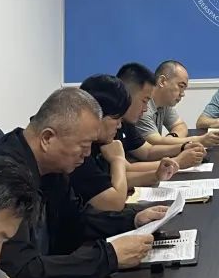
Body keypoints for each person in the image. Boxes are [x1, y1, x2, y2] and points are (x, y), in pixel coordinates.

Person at [0, 87, 169, 278]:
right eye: (84, 145)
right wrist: (109, 257)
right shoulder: (0, 175)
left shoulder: (50, 166)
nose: (87, 154)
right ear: (47, 138)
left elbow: (75, 219)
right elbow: (22, 272)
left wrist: (132, 220)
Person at [71, 75, 178, 211]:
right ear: (96, 116)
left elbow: (115, 178)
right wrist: (117, 159)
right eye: (116, 119)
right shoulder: (79, 152)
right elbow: (114, 204)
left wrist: (156, 176)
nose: (119, 125)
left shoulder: (101, 143)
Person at [115, 62, 206, 171]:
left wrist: (184, 146)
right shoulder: (108, 126)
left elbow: (148, 152)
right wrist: (178, 161)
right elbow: (126, 170)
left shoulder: (126, 124)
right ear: (127, 96)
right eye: (144, 101)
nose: (145, 108)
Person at [136, 60, 219, 151]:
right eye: (181, 86)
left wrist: (172, 137)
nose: (182, 94)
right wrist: (199, 140)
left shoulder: (164, 103)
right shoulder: (142, 106)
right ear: (162, 81)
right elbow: (155, 142)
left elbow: (180, 125)